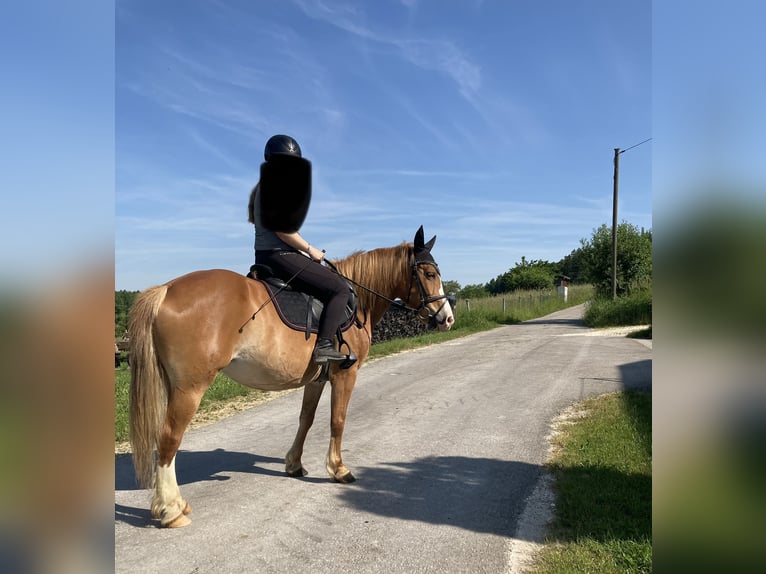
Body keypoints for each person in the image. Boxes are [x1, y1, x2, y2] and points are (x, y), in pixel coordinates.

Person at [248, 134, 349, 364]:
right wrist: (311, 250)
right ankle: (324, 345)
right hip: (278, 255)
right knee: (339, 289)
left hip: (268, 254)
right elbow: (283, 231)